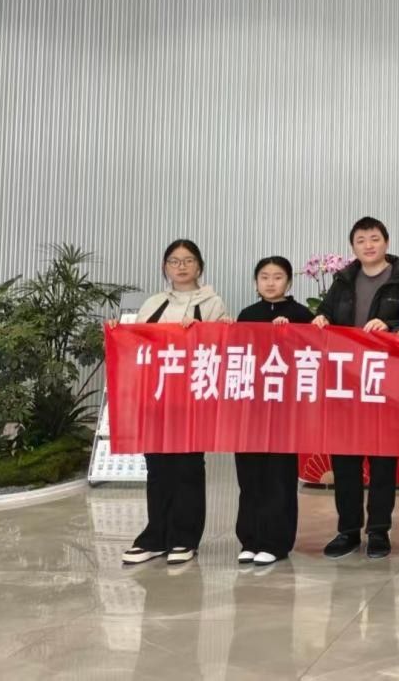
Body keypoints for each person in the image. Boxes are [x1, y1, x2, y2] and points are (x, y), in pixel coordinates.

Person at [312, 217, 399, 561]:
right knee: (345, 461)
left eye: (374, 238)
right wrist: (322, 319)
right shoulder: (343, 280)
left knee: (383, 461)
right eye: (361, 240)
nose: (368, 245)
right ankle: (347, 530)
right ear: (352, 247)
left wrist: (391, 325)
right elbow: (326, 313)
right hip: (346, 382)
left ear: (386, 242)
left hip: (386, 383)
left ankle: (378, 531)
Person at [121, 239, 229, 566]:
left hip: (191, 400)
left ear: (200, 266)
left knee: (187, 468)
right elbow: (135, 345)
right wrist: (117, 332)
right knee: (157, 468)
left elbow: (222, 344)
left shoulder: (212, 303)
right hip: (155, 397)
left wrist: (202, 331)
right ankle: (155, 536)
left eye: (188, 260)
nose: (181, 267)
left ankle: (184, 537)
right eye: (174, 261)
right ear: (165, 267)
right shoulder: (153, 303)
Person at [233, 256, 314, 566]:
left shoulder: (301, 315)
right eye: (264, 277)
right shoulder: (247, 315)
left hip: (284, 410)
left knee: (279, 476)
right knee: (249, 476)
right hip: (250, 408)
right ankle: (249, 539)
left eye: (277, 277)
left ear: (289, 282)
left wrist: (290, 335)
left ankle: (276, 542)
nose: (270, 282)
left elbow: (313, 356)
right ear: (256, 282)